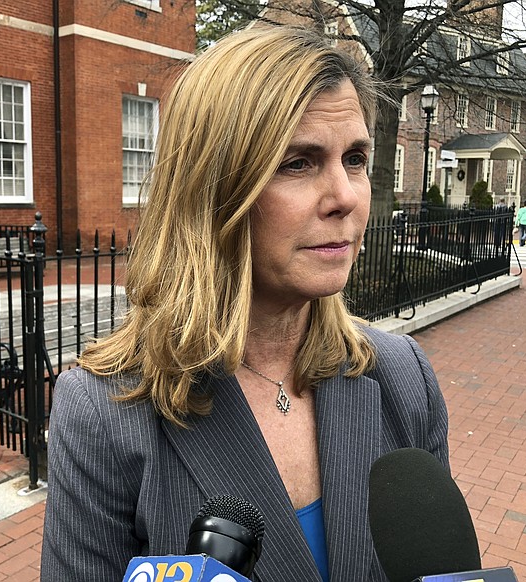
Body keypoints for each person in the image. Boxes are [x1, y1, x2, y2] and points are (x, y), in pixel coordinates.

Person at [40, 26, 449, 582]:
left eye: (354, 158)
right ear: (215, 189)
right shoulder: (106, 412)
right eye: (298, 162)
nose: (347, 197)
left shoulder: (403, 377)